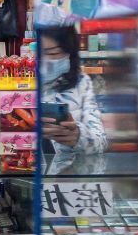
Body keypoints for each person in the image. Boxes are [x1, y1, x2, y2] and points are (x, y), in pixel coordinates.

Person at [40, 25, 108, 173]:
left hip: (69, 182)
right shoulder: (16, 84)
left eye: (53, 53)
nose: (45, 60)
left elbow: (100, 142)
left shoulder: (82, 83)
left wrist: (78, 136)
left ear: (69, 53)